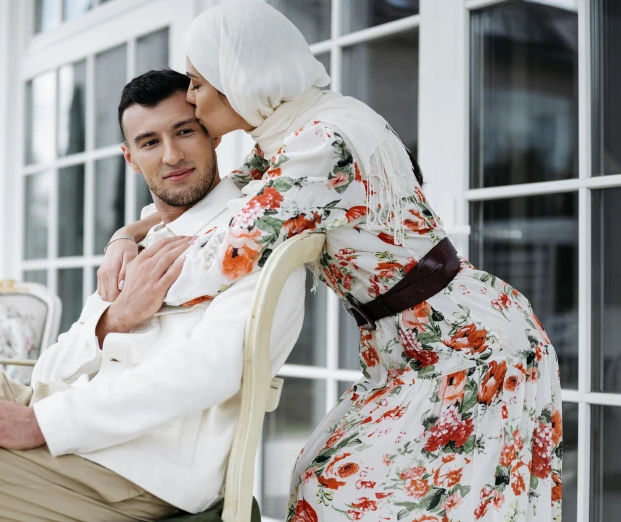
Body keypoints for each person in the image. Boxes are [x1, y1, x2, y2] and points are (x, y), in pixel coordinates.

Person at [99, 2, 563, 521]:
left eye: (199, 82)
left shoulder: (321, 142)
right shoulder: (295, 128)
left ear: (241, 77)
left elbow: (226, 254)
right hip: (413, 347)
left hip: (467, 348)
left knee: (338, 496)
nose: (191, 97)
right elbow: (221, 201)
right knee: (328, 484)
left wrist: (125, 304)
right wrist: (127, 234)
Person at [0, 69, 306, 522]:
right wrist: (113, 319)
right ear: (130, 156)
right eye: (149, 142)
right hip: (44, 397)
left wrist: (42, 425)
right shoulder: (138, 244)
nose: (170, 156)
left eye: (184, 132)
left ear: (213, 136)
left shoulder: (254, 234)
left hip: (133, 466)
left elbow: (208, 372)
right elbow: (51, 368)